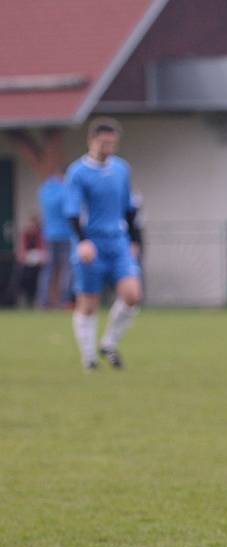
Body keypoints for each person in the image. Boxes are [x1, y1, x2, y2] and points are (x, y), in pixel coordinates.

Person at [65, 117, 142, 370]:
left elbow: (129, 208)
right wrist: (83, 241)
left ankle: (108, 342)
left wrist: (133, 238)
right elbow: (73, 212)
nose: (108, 148)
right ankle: (89, 358)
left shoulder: (122, 169)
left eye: (112, 143)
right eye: (103, 143)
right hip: (91, 244)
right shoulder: (78, 172)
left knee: (132, 294)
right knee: (89, 303)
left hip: (117, 241)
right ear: (91, 141)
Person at [36, 171, 73, 308]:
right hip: (65, 234)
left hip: (49, 235)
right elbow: (70, 210)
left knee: (48, 269)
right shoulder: (65, 190)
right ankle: (65, 300)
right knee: (66, 269)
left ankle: (43, 301)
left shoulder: (44, 189)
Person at [17, 213, 45, 307]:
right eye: (29, 226)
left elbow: (42, 249)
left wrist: (39, 257)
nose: (31, 228)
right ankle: (24, 299)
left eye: (33, 226)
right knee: (24, 277)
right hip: (26, 265)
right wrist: (25, 257)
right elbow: (22, 251)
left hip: (38, 266)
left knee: (38, 278)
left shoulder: (40, 235)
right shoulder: (25, 235)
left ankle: (37, 300)